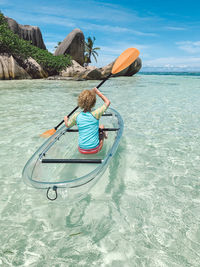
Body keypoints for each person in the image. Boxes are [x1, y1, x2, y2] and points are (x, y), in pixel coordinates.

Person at [64, 87, 110, 154]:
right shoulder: (96, 114)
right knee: (101, 127)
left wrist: (66, 119)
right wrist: (97, 92)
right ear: (94, 102)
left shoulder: (76, 116)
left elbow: (67, 125)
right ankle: (104, 136)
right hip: (95, 149)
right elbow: (107, 102)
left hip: (81, 150)